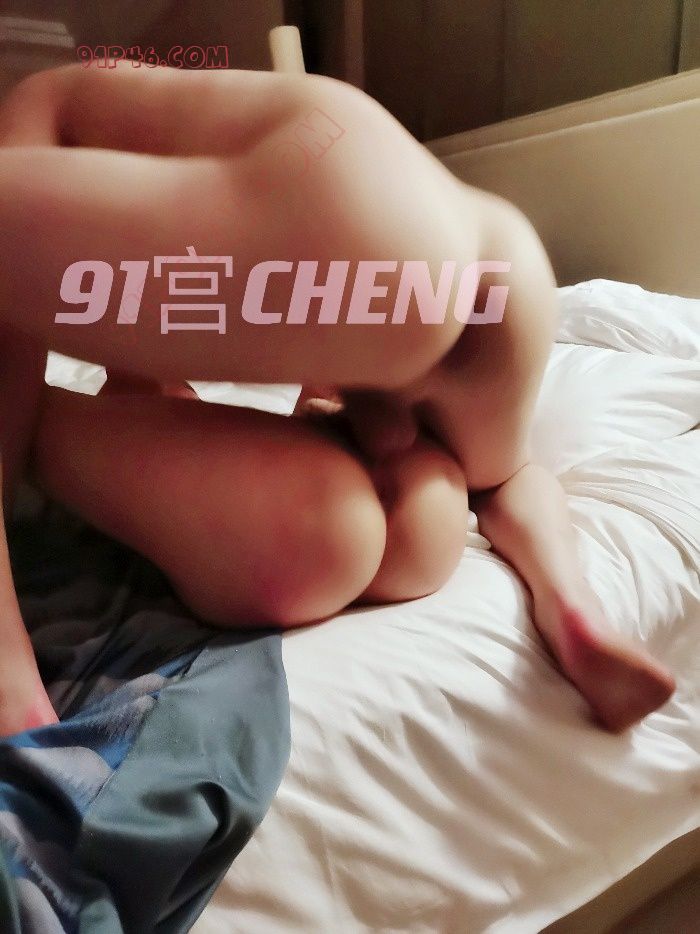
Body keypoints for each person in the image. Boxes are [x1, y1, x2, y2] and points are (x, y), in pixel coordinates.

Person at [0, 63, 675, 738]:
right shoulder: (137, 123)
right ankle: (573, 608)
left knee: (28, 401)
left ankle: (7, 672)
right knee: (431, 515)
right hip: (497, 262)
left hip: (346, 217)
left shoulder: (38, 108)